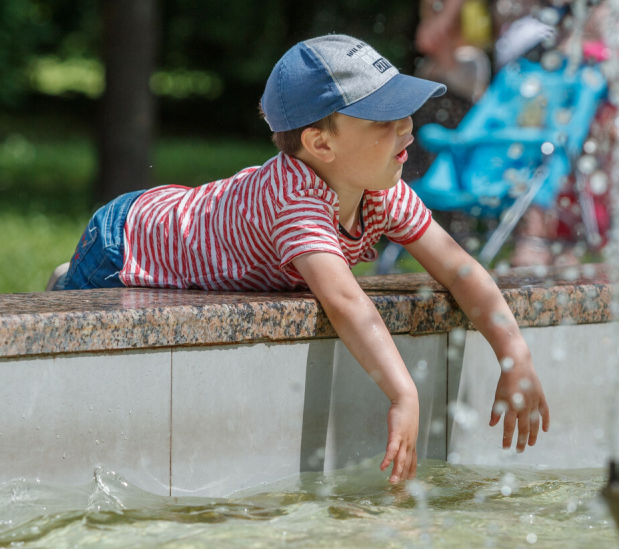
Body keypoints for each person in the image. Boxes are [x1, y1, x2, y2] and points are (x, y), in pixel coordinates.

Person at [47, 35, 550, 483]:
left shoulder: (382, 189)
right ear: (320, 143)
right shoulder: (294, 198)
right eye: (385, 118)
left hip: (181, 221)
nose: (408, 128)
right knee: (65, 363)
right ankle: (70, 282)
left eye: (405, 110)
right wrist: (404, 394)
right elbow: (347, 303)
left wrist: (515, 352)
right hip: (128, 243)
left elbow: (460, 270)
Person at [414, 0, 619, 269]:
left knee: (564, 134)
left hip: (574, 36)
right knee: (526, 133)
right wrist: (444, 20)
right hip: (523, 49)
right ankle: (542, 237)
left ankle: (547, 236)